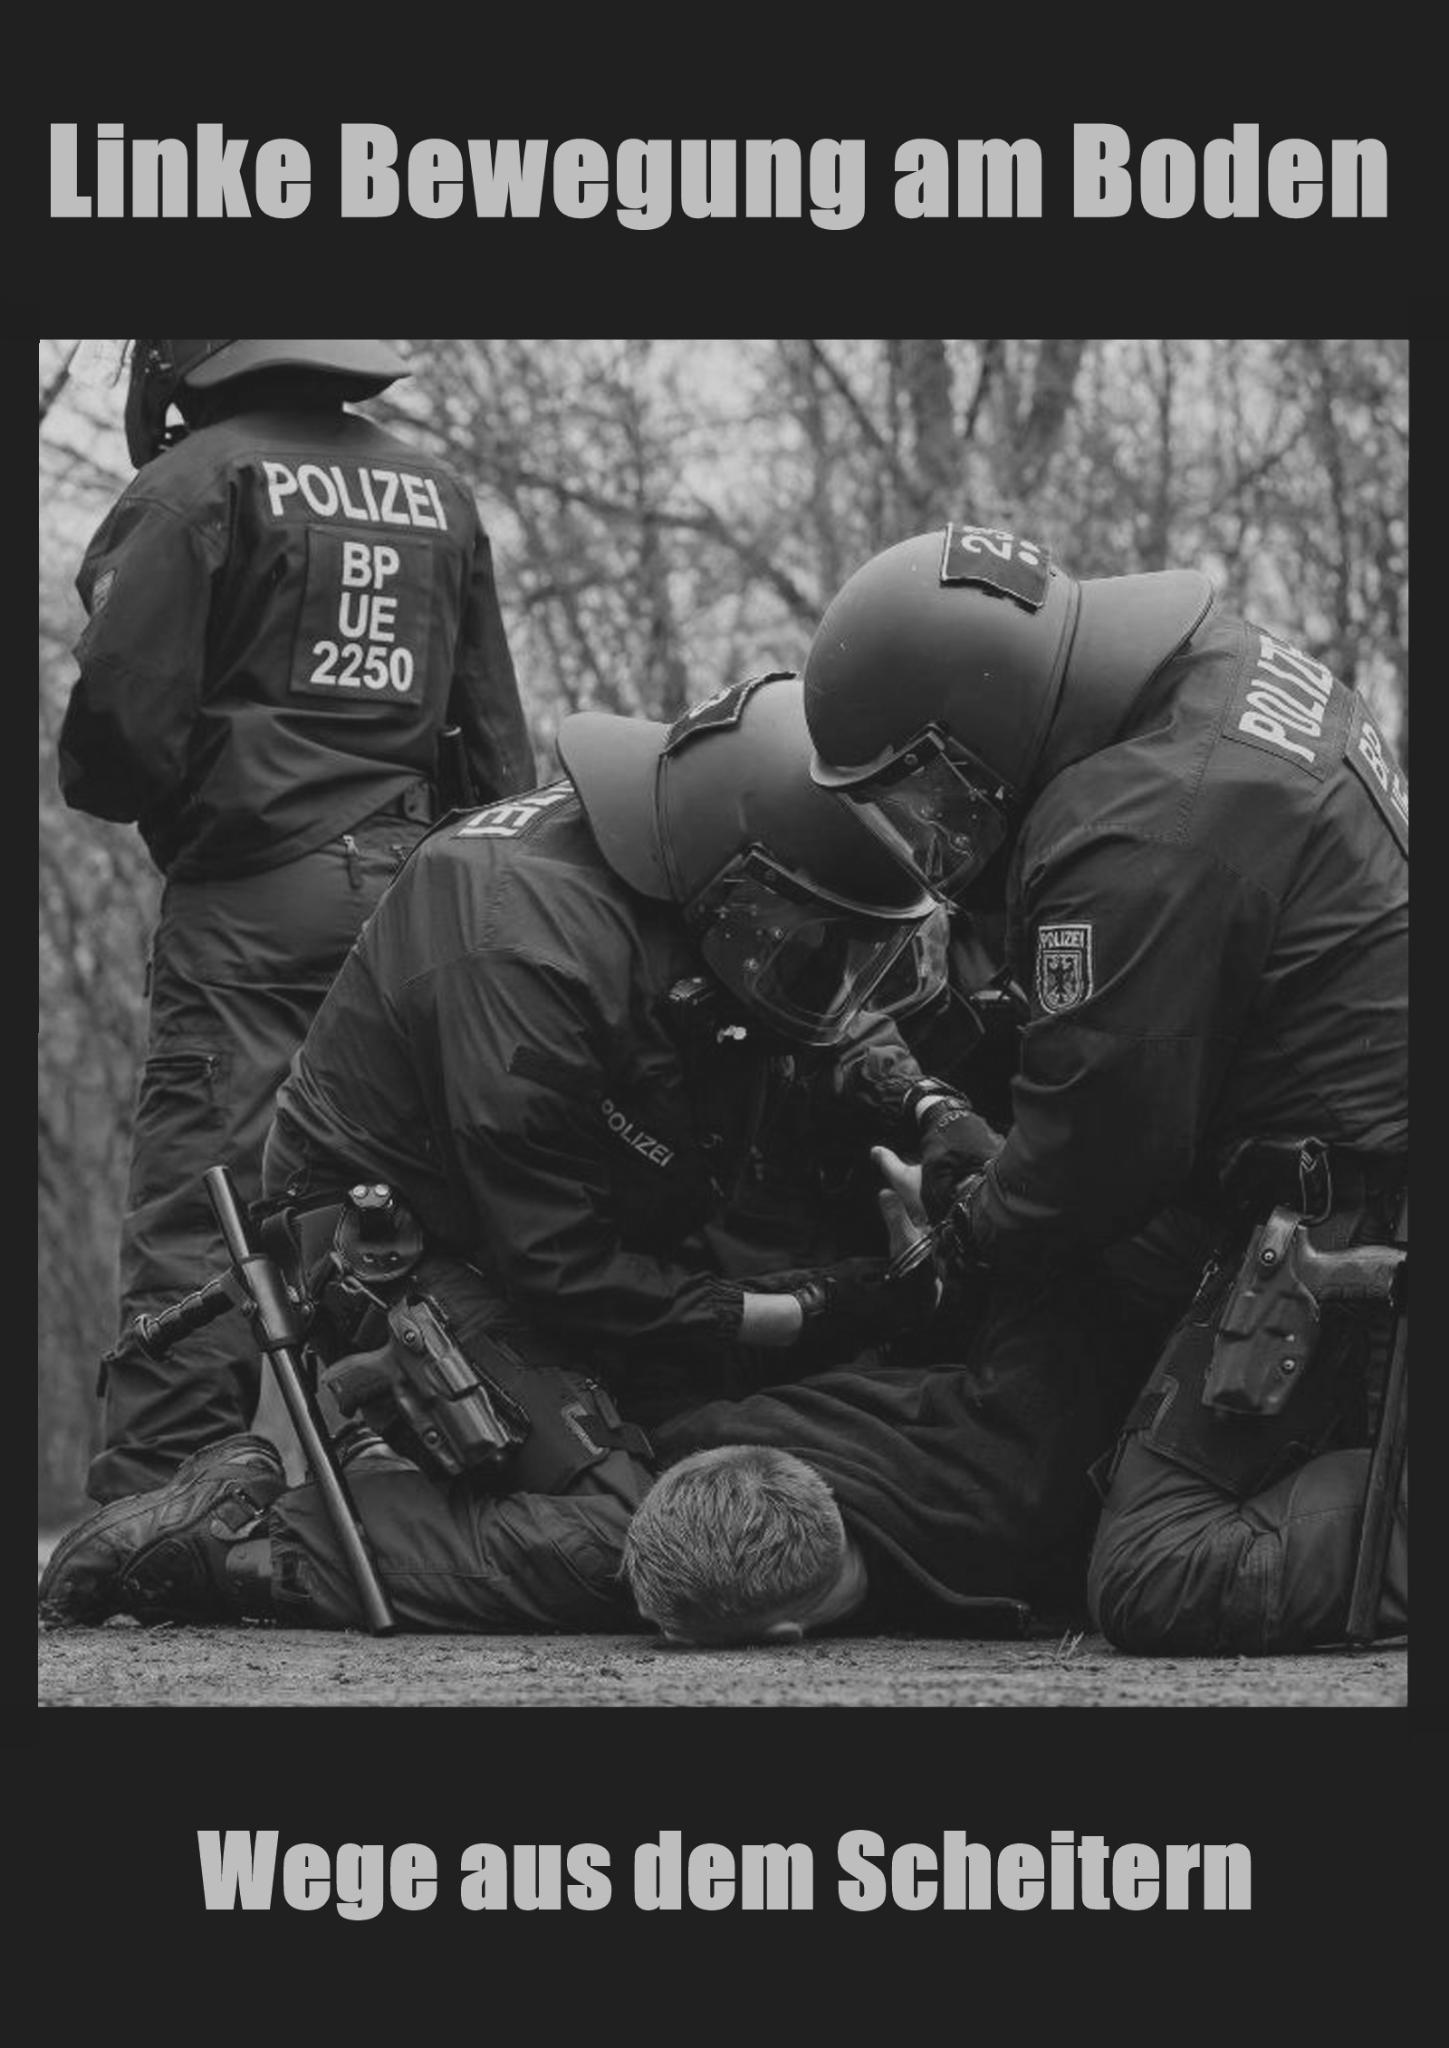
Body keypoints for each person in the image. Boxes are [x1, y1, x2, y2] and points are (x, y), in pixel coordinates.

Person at [40, 674, 949, 1632]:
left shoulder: (697, 860)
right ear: (736, 886)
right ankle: (237, 1544)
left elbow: (824, 1020)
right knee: (656, 1546)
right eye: (822, 945)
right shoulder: (525, 948)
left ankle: (394, 1478)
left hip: (585, 1222)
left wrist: (932, 1108)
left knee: (727, 1457)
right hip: (412, 1251)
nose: (837, 978)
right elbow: (561, 1265)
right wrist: (800, 1311)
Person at [798, 523, 1409, 1654]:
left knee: (1157, 1568)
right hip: (1322, 1151)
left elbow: (1094, 1161)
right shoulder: (1216, 665)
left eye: (922, 789)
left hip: (1348, 1221)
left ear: (975, 734)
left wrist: (958, 1231)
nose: (923, 830)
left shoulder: (1143, 823)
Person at [59, 339, 535, 1504]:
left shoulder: (193, 485)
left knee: (202, 1199)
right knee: (388, 1201)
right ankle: (432, 1481)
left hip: (252, 905)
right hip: (420, 900)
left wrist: (192, 798)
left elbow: (119, 742)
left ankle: (165, 1502)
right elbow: (493, 747)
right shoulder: (441, 496)